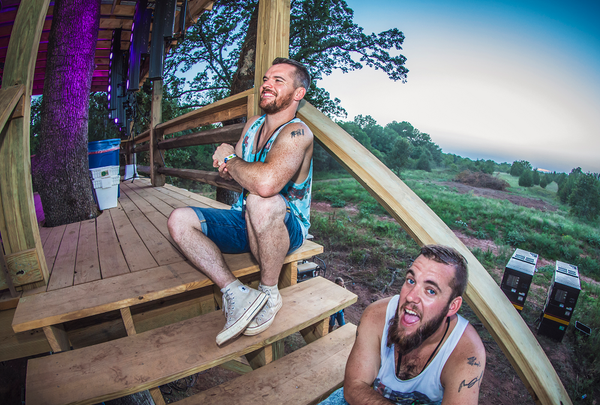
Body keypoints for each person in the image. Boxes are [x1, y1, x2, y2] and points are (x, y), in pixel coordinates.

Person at [167, 58, 313, 346]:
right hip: (245, 218)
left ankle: (269, 293)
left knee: (262, 201)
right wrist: (230, 164)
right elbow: (234, 171)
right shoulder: (252, 126)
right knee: (178, 220)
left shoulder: (298, 133)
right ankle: (236, 293)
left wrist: (231, 160)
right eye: (266, 79)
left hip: (285, 226)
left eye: (278, 80)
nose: (267, 84)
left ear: (298, 93)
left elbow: (265, 184)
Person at [324, 245, 485, 405]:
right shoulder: (376, 316)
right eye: (411, 281)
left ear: (452, 306)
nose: (410, 297)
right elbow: (355, 386)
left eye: (430, 291)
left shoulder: (466, 351)